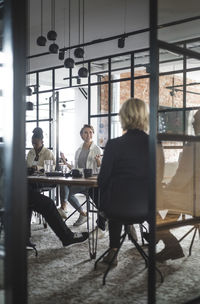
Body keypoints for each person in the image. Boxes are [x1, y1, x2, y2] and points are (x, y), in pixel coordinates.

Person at [98, 98, 150, 265]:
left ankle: (113, 251)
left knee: (114, 196)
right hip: (147, 209)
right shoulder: (156, 144)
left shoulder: (114, 145)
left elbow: (102, 180)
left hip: (116, 209)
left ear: (123, 117)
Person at [154, 109, 200, 262]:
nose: (193, 123)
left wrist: (166, 189)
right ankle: (160, 235)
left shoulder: (194, 144)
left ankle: (168, 241)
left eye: (196, 119)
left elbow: (181, 178)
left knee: (153, 201)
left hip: (195, 200)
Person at [59, 124, 102, 227]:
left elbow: (101, 170)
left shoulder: (97, 149)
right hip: (79, 181)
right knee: (64, 185)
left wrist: (98, 161)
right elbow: (75, 169)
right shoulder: (78, 150)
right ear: (81, 135)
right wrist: (65, 161)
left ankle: (64, 209)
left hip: (90, 183)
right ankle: (82, 214)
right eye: (86, 132)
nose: (88, 135)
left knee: (67, 191)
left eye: (90, 132)